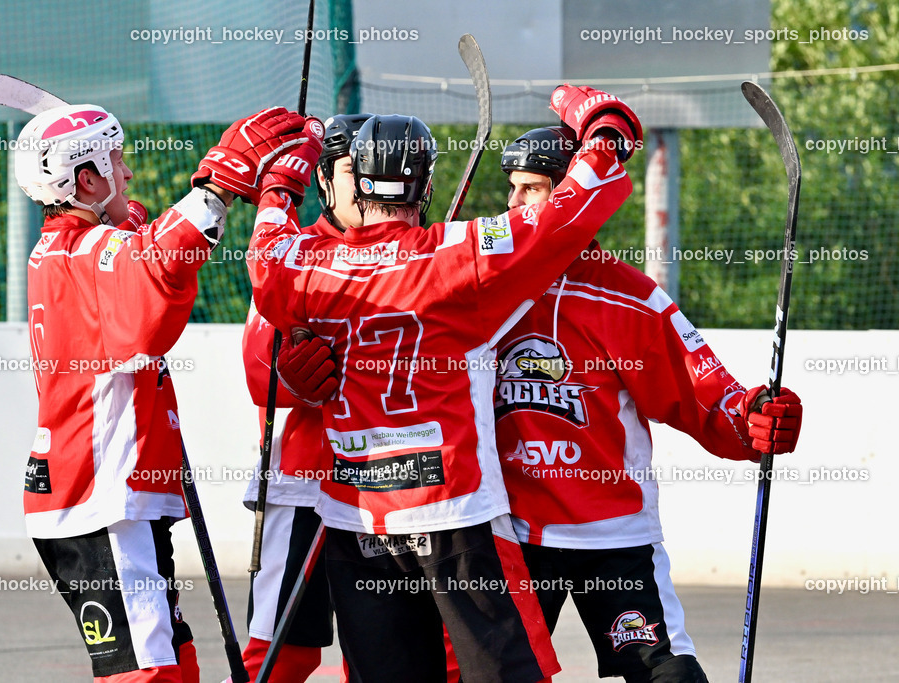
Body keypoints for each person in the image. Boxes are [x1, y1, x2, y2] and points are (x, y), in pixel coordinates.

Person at [246, 85, 641, 683]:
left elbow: (266, 249)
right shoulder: (459, 252)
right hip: (454, 515)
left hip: (356, 521)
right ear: (426, 187)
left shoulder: (303, 261)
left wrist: (279, 181)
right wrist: (605, 131)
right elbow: (571, 210)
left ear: (355, 184)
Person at [491, 124, 804, 682]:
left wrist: (754, 416)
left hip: (614, 535)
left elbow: (708, 396)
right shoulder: (484, 283)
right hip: (508, 533)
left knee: (671, 677)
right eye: (511, 188)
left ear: (572, 197)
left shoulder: (631, 298)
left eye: (531, 189)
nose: (512, 204)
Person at [17, 104, 308, 682]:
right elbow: (154, 262)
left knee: (173, 663)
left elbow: (139, 245)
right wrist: (218, 184)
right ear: (86, 182)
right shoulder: (83, 254)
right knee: (149, 674)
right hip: (105, 498)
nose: (127, 175)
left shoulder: (68, 247)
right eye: (115, 163)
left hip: (102, 495)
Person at [238, 113, 372, 683]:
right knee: (281, 656)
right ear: (322, 181)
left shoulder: (424, 250)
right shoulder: (290, 254)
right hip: (304, 485)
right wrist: (286, 377)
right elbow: (255, 374)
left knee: (383, 657)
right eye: (353, 171)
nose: (369, 185)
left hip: (395, 491)